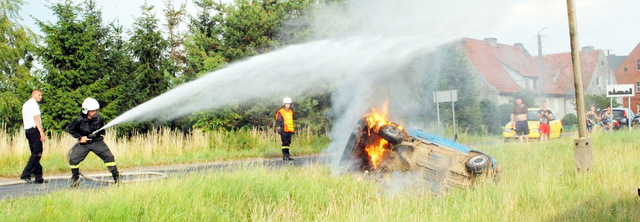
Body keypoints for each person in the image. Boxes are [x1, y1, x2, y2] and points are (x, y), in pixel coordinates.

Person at [67, 98, 120, 187]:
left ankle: (117, 180)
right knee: (73, 159)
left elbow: (103, 131)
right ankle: (75, 182)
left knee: (109, 158)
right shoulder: (79, 120)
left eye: (95, 110)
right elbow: (71, 130)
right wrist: (80, 138)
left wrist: (96, 135)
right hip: (84, 144)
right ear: (85, 111)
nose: (94, 112)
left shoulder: (100, 119)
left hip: (97, 142)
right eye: (92, 111)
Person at [19, 90, 48, 184]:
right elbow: (36, 118)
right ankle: (26, 174)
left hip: (28, 130)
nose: (41, 97)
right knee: (37, 153)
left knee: (35, 153)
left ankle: (39, 177)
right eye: (39, 95)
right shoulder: (33, 104)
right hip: (34, 130)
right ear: (34, 94)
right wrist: (41, 132)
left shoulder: (26, 104)